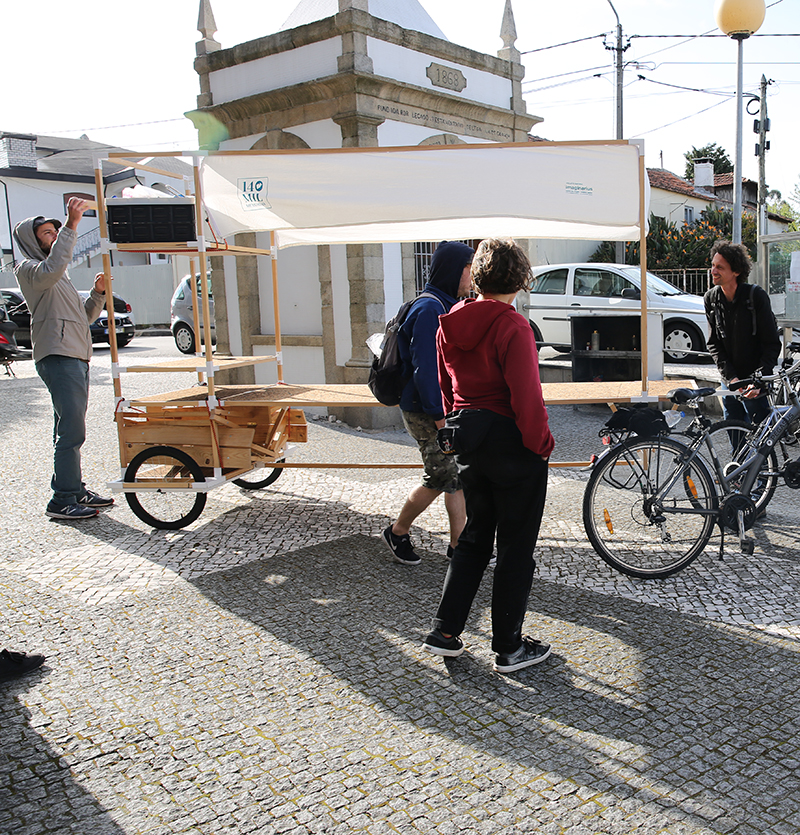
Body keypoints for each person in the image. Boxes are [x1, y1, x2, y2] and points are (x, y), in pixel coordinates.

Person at [422, 238, 555, 674]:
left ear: (478, 275)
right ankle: (509, 647)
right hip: (512, 441)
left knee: (475, 537)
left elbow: (446, 388)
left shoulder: (449, 322)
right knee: (516, 547)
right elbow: (527, 399)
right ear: (520, 278)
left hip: (470, 437)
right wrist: (541, 446)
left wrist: (458, 425)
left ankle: (445, 631)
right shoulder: (513, 326)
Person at [13, 197, 115, 520]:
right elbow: (54, 266)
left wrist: (98, 294)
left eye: (55, 231)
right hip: (58, 356)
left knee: (68, 429)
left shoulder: (58, 277)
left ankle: (73, 490)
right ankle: (62, 500)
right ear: (32, 241)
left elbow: (83, 319)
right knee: (72, 431)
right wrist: (71, 224)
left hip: (75, 356)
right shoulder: (29, 270)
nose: (54, 235)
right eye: (47, 233)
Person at [382, 241, 474, 565]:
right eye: (469, 268)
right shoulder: (429, 310)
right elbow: (427, 371)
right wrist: (440, 418)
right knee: (442, 476)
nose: (472, 275)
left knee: (453, 477)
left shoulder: (446, 305)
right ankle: (397, 532)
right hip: (425, 411)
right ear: (453, 270)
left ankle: (458, 546)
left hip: (439, 409)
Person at [704, 240, 781, 425]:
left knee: (762, 437)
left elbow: (772, 343)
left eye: (720, 267)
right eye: (713, 265)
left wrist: (759, 379)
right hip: (730, 381)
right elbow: (714, 343)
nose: (713, 271)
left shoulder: (755, 296)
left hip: (756, 383)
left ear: (736, 271)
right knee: (734, 434)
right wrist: (731, 377)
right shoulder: (711, 299)